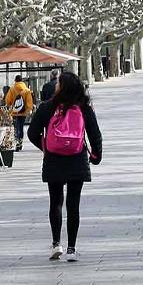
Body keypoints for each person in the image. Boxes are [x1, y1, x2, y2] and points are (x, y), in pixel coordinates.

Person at [27, 71, 102, 262]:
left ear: (61, 86)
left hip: (54, 160)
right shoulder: (84, 107)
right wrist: (95, 156)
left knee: (56, 202)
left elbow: (32, 132)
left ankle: (55, 244)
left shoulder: (47, 107)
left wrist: (45, 147)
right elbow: (95, 134)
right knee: (73, 204)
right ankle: (71, 248)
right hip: (77, 160)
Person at [5, 76, 36, 150]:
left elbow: (7, 100)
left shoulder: (12, 89)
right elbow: (29, 102)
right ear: (22, 81)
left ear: (15, 80)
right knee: (21, 127)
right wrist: (29, 110)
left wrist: (10, 105)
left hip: (14, 112)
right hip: (23, 112)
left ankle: (17, 142)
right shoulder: (26, 90)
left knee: (16, 128)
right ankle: (20, 143)